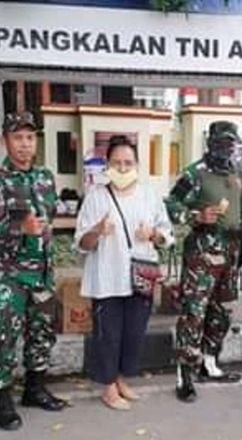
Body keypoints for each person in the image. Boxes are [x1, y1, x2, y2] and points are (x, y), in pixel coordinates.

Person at [0, 112, 67, 431]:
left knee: (41, 332)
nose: (25, 144)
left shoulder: (45, 178)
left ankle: (34, 388)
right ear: (4, 141)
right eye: (18, 138)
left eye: (30, 137)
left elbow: (51, 217)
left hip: (41, 273)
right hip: (8, 276)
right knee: (3, 338)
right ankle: (1, 401)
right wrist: (21, 228)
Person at [75, 135, 174, 410]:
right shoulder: (96, 197)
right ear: (107, 165)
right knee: (108, 335)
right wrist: (97, 231)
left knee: (133, 333)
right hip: (106, 278)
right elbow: (81, 244)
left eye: (128, 162)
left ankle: (120, 379)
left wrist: (152, 233)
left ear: (137, 165)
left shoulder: (149, 194)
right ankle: (107, 387)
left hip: (140, 278)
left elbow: (168, 235)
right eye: (116, 162)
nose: (122, 168)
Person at [165, 121, 242, 403]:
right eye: (220, 143)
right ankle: (184, 373)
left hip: (231, 250)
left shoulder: (237, 171)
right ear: (209, 143)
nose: (225, 149)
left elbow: (239, 208)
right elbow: (171, 205)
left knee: (221, 311)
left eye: (230, 144)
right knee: (194, 313)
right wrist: (196, 216)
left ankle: (209, 363)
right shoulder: (195, 173)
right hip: (203, 251)